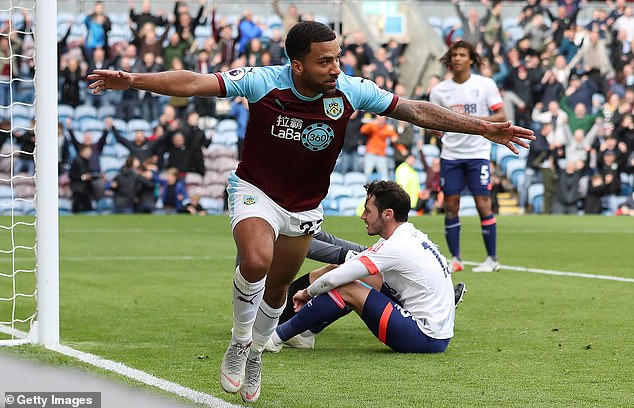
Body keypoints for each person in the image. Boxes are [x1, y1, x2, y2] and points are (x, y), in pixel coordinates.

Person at [88, 21, 533, 403]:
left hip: (303, 206)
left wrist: (481, 128)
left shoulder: (351, 90)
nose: (335, 68)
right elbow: (193, 82)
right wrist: (134, 79)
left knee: (279, 287)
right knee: (256, 261)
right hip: (255, 190)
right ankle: (239, 343)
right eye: (325, 61)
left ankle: (258, 352)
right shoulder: (264, 81)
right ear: (297, 65)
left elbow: (414, 109)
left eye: (337, 58)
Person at [267, 180, 456, 355]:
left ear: (387, 214)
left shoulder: (395, 246)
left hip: (426, 337)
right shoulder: (410, 235)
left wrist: (307, 293)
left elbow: (336, 279)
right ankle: (305, 334)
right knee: (345, 272)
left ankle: (275, 338)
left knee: (346, 285)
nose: (363, 216)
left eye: (368, 211)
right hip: (436, 332)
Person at [429, 40, 508, 273]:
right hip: (451, 155)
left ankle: (492, 259)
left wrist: (476, 123)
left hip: (478, 154)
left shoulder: (485, 85)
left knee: (483, 203)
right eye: (454, 55)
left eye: (462, 54)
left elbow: (501, 114)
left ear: (471, 59)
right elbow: (431, 120)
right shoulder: (439, 91)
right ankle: (455, 259)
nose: (457, 58)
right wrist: (435, 128)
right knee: (451, 205)